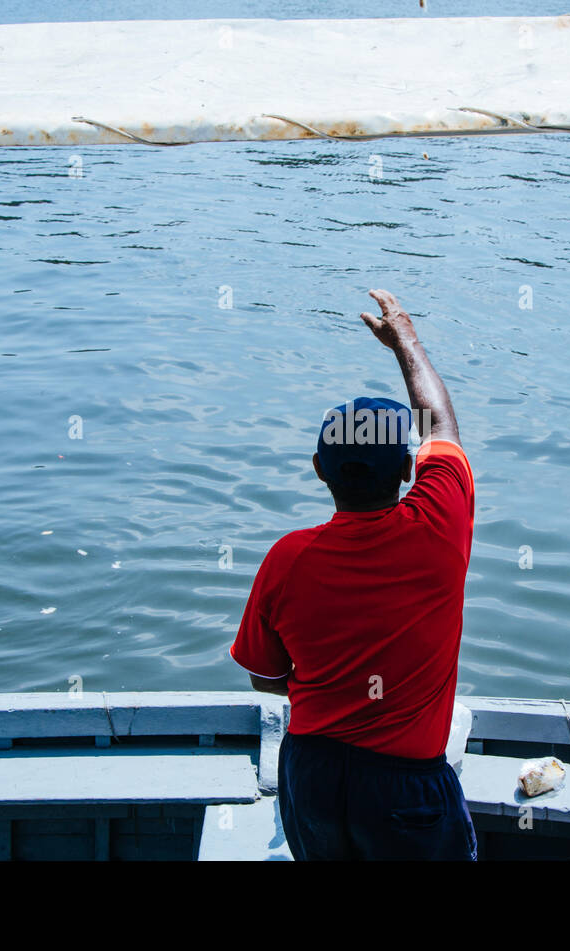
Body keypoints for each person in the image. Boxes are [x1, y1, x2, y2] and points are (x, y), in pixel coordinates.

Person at [229, 289, 477, 861]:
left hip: (310, 774)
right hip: (404, 784)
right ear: (410, 469)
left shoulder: (287, 559)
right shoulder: (437, 527)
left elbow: (265, 679)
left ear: (320, 470)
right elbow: (442, 426)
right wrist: (405, 342)